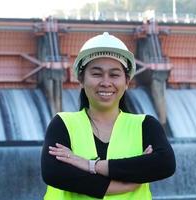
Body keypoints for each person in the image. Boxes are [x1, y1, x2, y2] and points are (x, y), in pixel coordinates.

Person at [41, 32, 176, 199]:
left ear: (126, 82)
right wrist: (123, 181)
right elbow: (54, 173)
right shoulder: (63, 124)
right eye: (97, 74)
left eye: (114, 74)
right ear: (81, 80)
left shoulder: (145, 125)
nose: (106, 82)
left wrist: (91, 165)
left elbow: (165, 164)